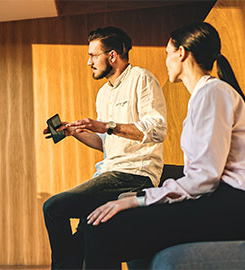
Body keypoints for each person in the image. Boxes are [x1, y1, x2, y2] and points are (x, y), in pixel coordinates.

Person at [82, 22, 245, 269]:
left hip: (243, 205)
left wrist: (137, 199)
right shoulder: (204, 97)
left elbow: (204, 177)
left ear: (181, 53)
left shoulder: (214, 94)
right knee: (125, 233)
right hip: (226, 198)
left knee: (101, 228)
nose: (166, 62)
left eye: (167, 54)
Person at [42, 27, 167, 269]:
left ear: (112, 56)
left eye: (92, 55)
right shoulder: (103, 94)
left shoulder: (142, 79)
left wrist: (106, 125)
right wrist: (72, 132)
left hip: (134, 175)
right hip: (108, 173)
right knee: (85, 240)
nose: (89, 62)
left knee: (53, 207)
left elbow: (157, 129)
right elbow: (105, 144)